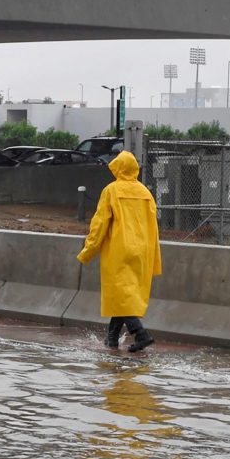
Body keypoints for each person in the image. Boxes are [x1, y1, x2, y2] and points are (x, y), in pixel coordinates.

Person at [76, 151, 162, 352]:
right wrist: (155, 258)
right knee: (123, 295)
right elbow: (154, 227)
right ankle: (112, 339)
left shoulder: (111, 191)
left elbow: (99, 225)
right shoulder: (145, 192)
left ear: (117, 168)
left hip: (119, 249)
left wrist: (88, 251)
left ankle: (141, 334)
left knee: (120, 294)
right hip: (143, 250)